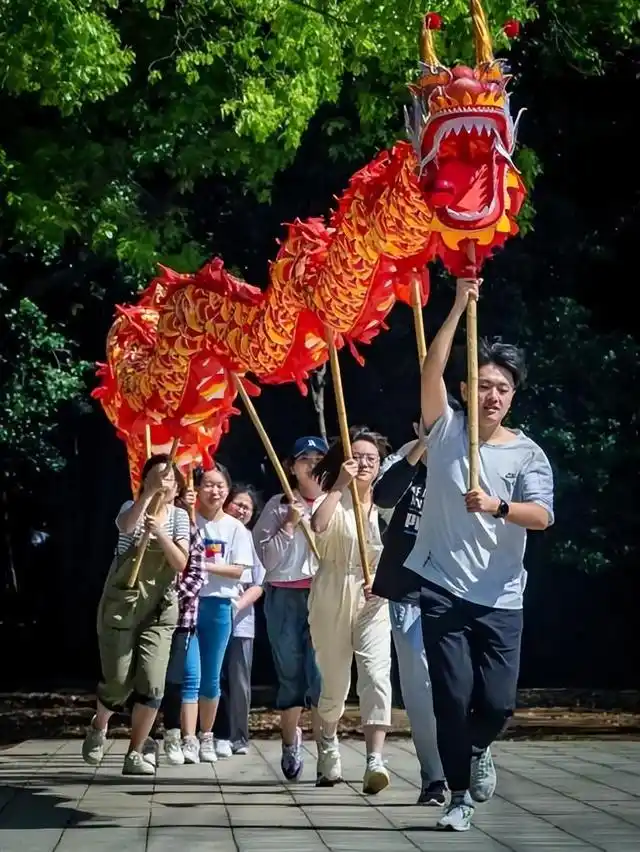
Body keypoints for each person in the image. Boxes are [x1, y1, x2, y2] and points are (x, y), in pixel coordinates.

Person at [407, 276, 555, 832]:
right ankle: (460, 798)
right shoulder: (445, 429)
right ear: (467, 389)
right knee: (452, 695)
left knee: (495, 704)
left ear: (512, 396)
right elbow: (430, 370)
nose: (492, 395)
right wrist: (457, 306)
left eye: (503, 388)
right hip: (442, 586)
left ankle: (480, 747)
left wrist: (496, 506)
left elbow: (541, 517)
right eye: (484, 384)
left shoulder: (528, 454)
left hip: (501, 595)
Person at [82, 453, 190, 775]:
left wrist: (160, 533)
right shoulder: (130, 508)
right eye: (157, 476)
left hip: (160, 607)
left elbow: (181, 563)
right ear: (144, 480)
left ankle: (135, 751)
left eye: (170, 477)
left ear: (178, 485)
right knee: (117, 679)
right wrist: (146, 502)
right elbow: (124, 526)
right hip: (124, 602)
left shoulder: (180, 517)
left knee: (153, 682)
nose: (164, 482)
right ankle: (99, 724)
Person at [310, 427, 392, 794]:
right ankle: (328, 739)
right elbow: (318, 526)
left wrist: (386, 581)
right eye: (356, 456)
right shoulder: (330, 498)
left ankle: (375, 759)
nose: (363, 463)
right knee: (336, 683)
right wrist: (340, 485)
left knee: (376, 674)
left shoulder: (387, 506)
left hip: (375, 595)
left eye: (370, 458)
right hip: (332, 590)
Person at [372, 413, 447, 806]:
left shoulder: (468, 458)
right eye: (426, 424)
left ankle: (469, 754)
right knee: (419, 690)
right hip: (408, 594)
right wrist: (421, 448)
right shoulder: (404, 460)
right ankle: (434, 777)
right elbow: (383, 496)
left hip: (455, 590)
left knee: (456, 683)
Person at [253, 435, 328, 782]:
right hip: (284, 596)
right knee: (290, 672)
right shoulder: (278, 505)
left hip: (323, 594)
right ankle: (289, 741)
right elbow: (266, 560)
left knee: (323, 673)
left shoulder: (336, 502)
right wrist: (289, 524)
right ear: (291, 466)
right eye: (304, 458)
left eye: (318, 457)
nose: (311, 464)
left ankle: (328, 749)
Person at [181, 463, 255, 764]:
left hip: (219, 606)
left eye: (220, 485)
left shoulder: (235, 528)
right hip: (189, 602)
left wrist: (203, 565)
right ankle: (186, 739)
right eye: (208, 485)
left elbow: (238, 571)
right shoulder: (186, 520)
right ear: (197, 488)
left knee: (211, 676)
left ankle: (207, 737)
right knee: (189, 675)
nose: (215, 491)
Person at [213, 484, 265, 757]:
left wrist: (236, 607)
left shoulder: (249, 538)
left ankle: (239, 736)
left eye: (248, 507)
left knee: (239, 681)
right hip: (210, 616)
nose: (242, 510)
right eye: (238, 504)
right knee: (212, 678)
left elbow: (259, 584)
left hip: (241, 621)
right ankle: (212, 733)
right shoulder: (212, 530)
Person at [161, 484, 207, 766]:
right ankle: (142, 740)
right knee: (147, 679)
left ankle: (172, 734)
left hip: (179, 616)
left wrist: (169, 599)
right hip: (144, 615)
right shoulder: (140, 521)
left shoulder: (188, 527)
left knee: (174, 680)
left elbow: (197, 574)